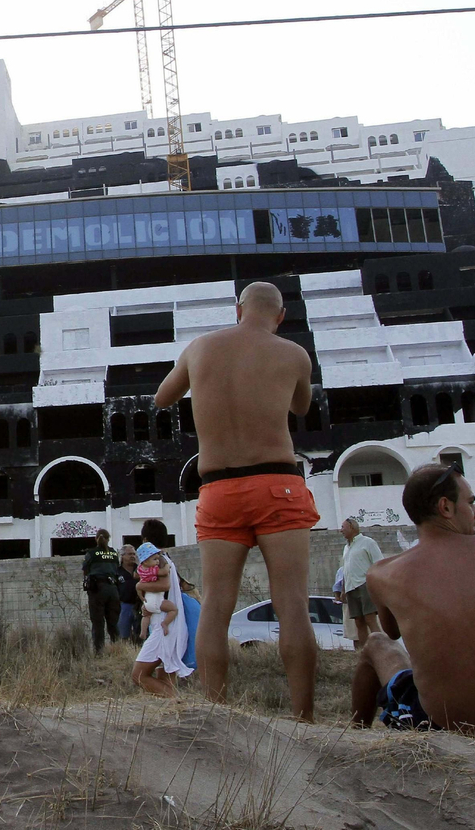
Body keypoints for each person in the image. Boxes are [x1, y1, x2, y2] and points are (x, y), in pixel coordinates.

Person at [155, 280, 319, 721]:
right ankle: (304, 718)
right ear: (280, 316)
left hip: (219, 488)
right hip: (277, 484)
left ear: (237, 310)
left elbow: (161, 397)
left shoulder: (200, 348)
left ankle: (216, 714)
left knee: (215, 607)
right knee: (292, 603)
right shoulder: (294, 354)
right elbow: (302, 407)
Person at [351, 464, 475, 742]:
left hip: (439, 730)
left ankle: (354, 737)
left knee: (376, 643)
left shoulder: (383, 574)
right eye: (470, 503)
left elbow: (393, 632)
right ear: (446, 507)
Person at [131, 543, 195, 697]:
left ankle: (177, 700)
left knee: (138, 675)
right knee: (165, 676)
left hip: (163, 627)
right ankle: (175, 706)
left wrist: (140, 584)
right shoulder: (162, 560)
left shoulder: (161, 560)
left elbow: (165, 585)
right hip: (162, 623)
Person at [338, 518, 384, 649]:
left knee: (370, 619)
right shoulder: (346, 548)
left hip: (365, 585)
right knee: (358, 621)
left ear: (352, 527)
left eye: (343, 527)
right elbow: (346, 570)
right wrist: (343, 590)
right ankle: (365, 652)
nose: (341, 530)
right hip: (350, 588)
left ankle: (381, 648)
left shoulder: (368, 543)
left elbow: (379, 564)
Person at [79, 531, 122, 653]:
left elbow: (85, 569)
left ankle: (99, 652)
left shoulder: (91, 553)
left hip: (97, 589)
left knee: (98, 623)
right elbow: (116, 569)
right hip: (113, 590)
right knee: (113, 623)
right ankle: (117, 650)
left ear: (96, 538)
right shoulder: (114, 553)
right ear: (108, 539)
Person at [136, 550, 178, 640]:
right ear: (146, 561)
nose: (157, 561)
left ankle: (143, 632)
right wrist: (167, 566)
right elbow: (164, 572)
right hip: (157, 599)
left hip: (147, 600)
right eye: (155, 559)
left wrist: (142, 598)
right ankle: (165, 623)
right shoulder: (153, 570)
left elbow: (139, 588)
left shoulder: (140, 570)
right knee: (173, 610)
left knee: (146, 615)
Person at [115, 545, 142, 643]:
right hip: (124, 606)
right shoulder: (117, 572)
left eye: (134, 554)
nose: (133, 556)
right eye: (130, 554)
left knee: (140, 634)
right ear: (122, 556)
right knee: (124, 635)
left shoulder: (141, 570)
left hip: (139, 605)